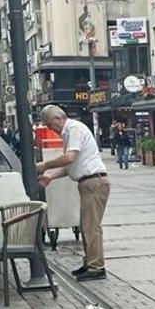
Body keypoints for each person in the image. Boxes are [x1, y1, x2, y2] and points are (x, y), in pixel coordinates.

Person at [36, 105, 110, 282]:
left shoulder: (74, 129)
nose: (49, 128)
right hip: (88, 182)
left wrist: (45, 166)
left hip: (94, 181)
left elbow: (69, 158)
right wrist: (50, 176)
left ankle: (96, 267)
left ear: (58, 118)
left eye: (49, 124)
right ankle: (89, 263)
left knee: (91, 227)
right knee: (86, 225)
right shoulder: (68, 133)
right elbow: (70, 167)